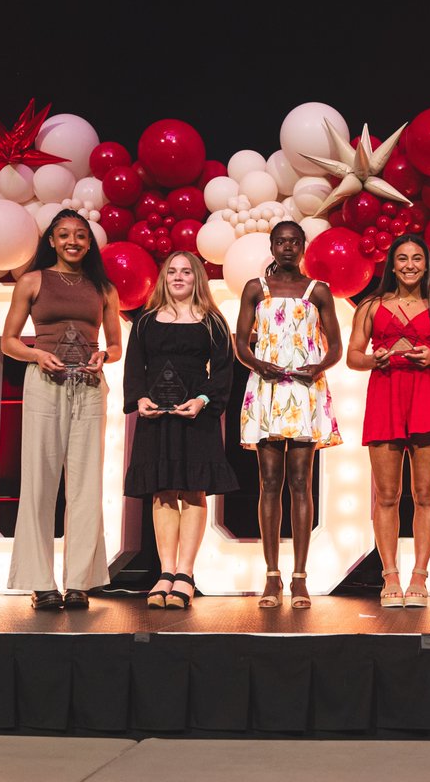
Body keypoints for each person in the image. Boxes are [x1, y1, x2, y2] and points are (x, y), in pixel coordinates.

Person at [2, 209, 123, 610]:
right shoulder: (32, 281)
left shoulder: (103, 287)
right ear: (51, 241)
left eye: (81, 236)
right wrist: (37, 356)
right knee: (39, 482)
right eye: (64, 235)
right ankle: (41, 582)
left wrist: (104, 355)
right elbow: (9, 341)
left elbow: (116, 345)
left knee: (86, 485)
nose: (73, 241)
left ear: (90, 243)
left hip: (89, 386)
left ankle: (80, 582)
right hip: (45, 384)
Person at [346, 234, 430, 608]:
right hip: (385, 394)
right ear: (391, 265)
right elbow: (353, 357)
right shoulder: (370, 306)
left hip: (426, 395)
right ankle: (390, 574)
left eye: (417, 258)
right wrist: (373, 359)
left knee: (425, 494)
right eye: (402, 258)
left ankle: (420, 576)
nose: (410, 265)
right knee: (387, 495)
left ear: (427, 264)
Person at [235, 221, 342, 609]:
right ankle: (271, 576)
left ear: (303, 247)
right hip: (267, 388)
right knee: (268, 482)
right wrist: (257, 364)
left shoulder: (318, 291)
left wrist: (317, 368)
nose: (287, 247)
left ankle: (299, 578)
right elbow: (241, 342)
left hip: (303, 389)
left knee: (301, 481)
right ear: (271, 245)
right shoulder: (255, 289)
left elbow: (335, 348)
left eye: (294, 242)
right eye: (280, 241)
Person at [123, 251, 238, 610]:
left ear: (196, 278)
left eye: (186, 271)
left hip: (195, 415)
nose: (178, 277)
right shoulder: (145, 322)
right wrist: (139, 399)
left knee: (192, 491)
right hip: (157, 416)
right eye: (172, 271)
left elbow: (222, 371)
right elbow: (134, 367)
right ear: (163, 278)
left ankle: (186, 575)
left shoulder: (212, 321)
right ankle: (165, 572)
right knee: (162, 491)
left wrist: (203, 399)